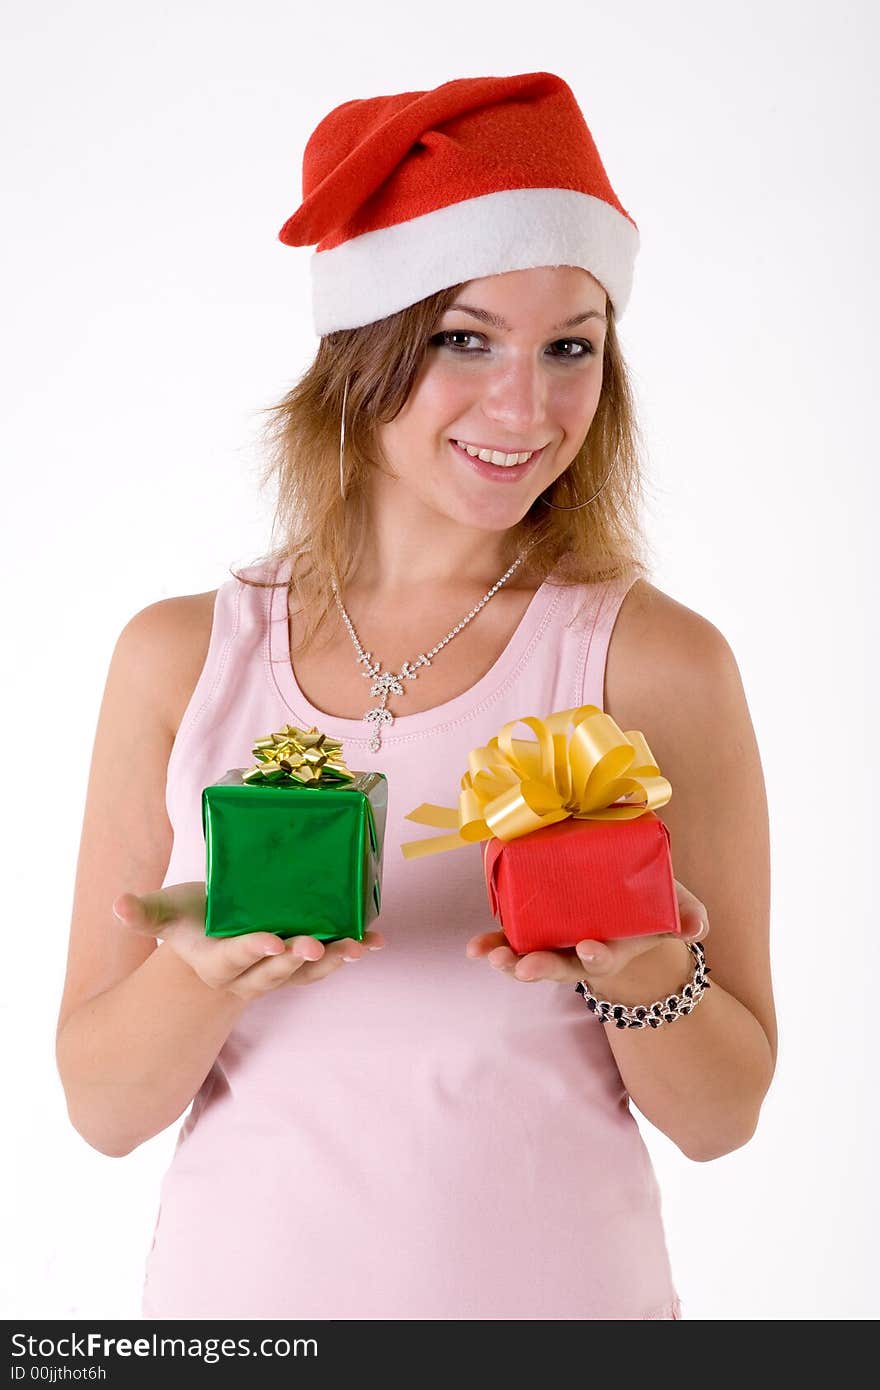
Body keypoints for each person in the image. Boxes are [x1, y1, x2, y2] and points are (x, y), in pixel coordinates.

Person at [55, 71, 776, 1321]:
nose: (526, 406)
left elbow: (720, 1122)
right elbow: (104, 1110)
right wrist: (203, 968)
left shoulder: (657, 664)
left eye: (571, 347)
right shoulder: (180, 656)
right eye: (463, 338)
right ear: (364, 346)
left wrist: (643, 963)